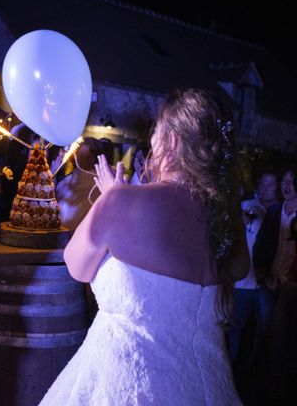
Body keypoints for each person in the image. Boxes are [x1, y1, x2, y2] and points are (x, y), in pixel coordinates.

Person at [40, 88, 248, 405]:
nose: (152, 143)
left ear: (173, 141)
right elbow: (237, 268)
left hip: (128, 388)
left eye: (156, 133)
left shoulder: (122, 202)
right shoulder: (228, 216)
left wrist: (113, 198)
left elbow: (76, 265)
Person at [252, 167, 297, 397]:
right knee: (264, 326)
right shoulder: (275, 211)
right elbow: (263, 242)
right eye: (285, 181)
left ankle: (277, 378)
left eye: (292, 180)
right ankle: (262, 375)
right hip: (270, 278)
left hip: (292, 281)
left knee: (280, 324)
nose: (286, 185)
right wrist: (262, 272)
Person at [228, 171, 278, 367]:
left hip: (266, 283)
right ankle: (230, 369)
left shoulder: (280, 213)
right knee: (236, 328)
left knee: (265, 329)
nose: (266, 188)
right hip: (242, 281)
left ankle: (256, 368)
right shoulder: (249, 206)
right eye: (263, 184)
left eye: (271, 184)